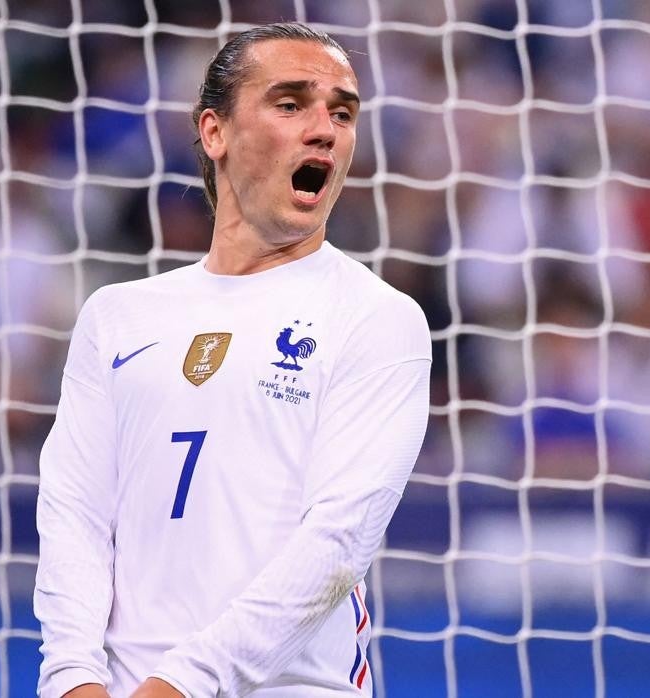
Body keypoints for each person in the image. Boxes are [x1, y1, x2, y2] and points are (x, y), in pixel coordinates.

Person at [34, 23, 432, 698]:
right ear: (214, 132)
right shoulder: (117, 318)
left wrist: (181, 684)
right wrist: (72, 674)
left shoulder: (377, 317)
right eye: (290, 103)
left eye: (342, 112)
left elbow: (337, 543)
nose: (325, 129)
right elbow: (74, 512)